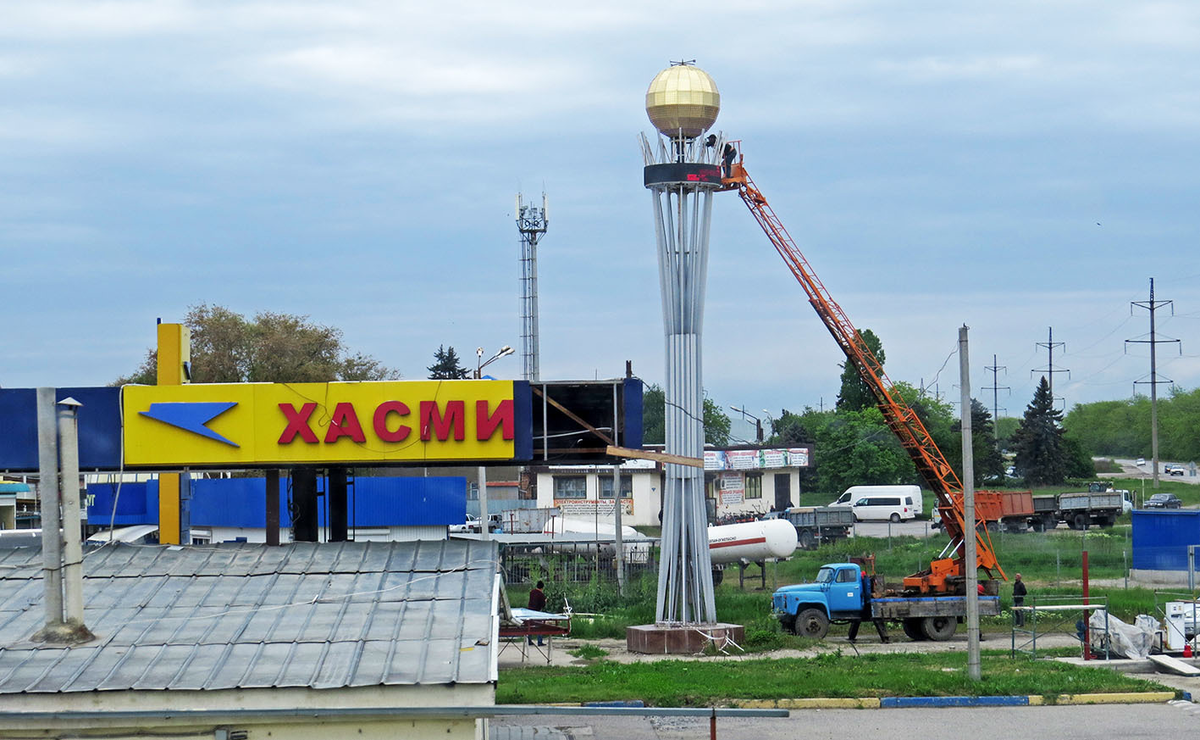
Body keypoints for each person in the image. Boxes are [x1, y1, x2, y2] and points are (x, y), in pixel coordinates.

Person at [848, 572, 890, 644]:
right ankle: (885, 638)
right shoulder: (866, 581)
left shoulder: (863, 581)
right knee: (859, 620)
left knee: (875, 620)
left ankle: (885, 638)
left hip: (865, 604)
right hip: (866, 603)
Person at [527, 581, 547, 646]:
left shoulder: (532, 592)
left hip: (530, 610)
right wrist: (545, 601)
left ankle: (529, 640)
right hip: (537, 611)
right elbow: (542, 605)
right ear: (542, 587)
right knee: (539, 626)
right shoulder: (541, 595)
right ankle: (539, 641)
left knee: (530, 625)